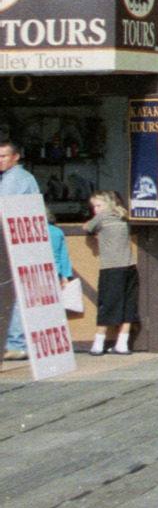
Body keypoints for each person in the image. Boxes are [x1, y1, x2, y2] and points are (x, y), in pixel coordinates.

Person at [2, 140, 69, 362]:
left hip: (14, 244)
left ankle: (16, 343)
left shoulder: (14, 179)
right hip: (23, 242)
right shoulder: (21, 178)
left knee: (16, 294)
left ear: (16, 157)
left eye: (3, 156)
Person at [84, 190, 138, 356]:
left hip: (111, 268)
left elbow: (86, 227)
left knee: (107, 304)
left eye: (98, 205)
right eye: (94, 207)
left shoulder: (102, 218)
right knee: (128, 306)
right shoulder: (122, 217)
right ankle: (122, 343)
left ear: (108, 204)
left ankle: (98, 344)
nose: (95, 210)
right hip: (129, 267)